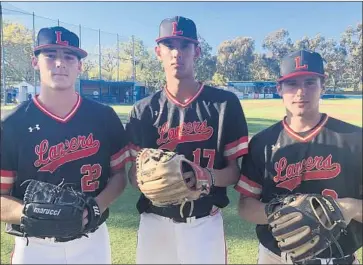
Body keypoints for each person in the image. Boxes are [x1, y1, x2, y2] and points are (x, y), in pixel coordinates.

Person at [0, 26, 130, 264]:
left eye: (69, 56)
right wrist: (32, 213)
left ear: (79, 65)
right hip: (34, 245)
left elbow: (119, 176)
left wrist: (95, 208)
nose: (60, 63)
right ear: (35, 62)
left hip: (92, 240)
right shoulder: (12, 125)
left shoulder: (104, 117)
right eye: (50, 55)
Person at [125, 16, 249, 264]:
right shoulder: (143, 110)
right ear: (158, 52)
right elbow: (132, 175)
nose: (176, 53)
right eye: (169, 45)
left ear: (197, 52)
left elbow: (234, 172)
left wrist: (206, 176)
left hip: (204, 221)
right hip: (155, 222)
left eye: (184, 45)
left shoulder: (224, 104)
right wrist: (149, 180)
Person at [235, 50, 362, 264]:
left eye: (310, 82)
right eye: (292, 84)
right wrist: (281, 213)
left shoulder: (356, 140)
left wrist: (349, 207)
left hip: (336, 258)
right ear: (279, 88)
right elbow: (246, 206)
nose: (301, 92)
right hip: (275, 257)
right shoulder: (262, 143)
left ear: (323, 84)